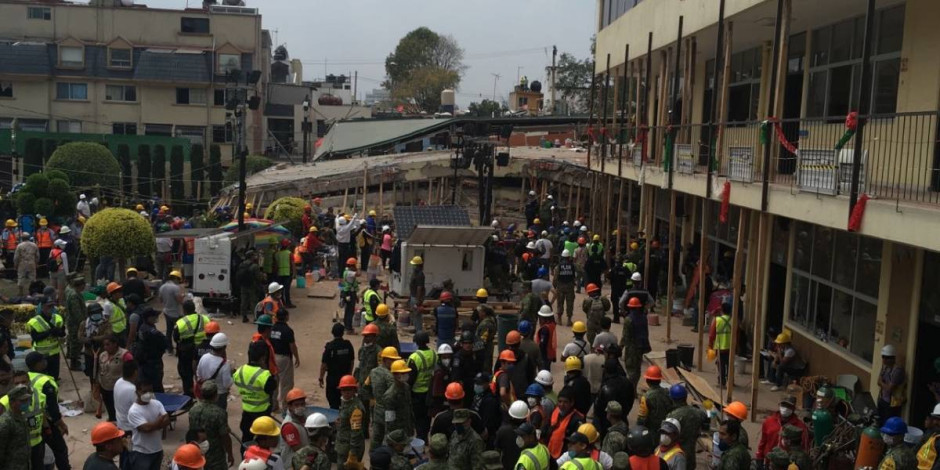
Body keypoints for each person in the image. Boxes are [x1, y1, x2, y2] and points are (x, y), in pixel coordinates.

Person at [234, 345, 278, 444]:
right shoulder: (263, 375)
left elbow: (236, 380)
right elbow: (272, 387)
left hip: (246, 413)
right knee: (264, 441)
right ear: (263, 358)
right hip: (262, 413)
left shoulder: (240, 371)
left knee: (246, 440)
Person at [188, 380, 235, 470]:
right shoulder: (219, 413)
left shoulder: (193, 410)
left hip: (197, 451)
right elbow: (225, 436)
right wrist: (230, 454)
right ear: (216, 395)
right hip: (215, 456)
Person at [127, 380, 171, 470]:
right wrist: (159, 421)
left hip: (157, 450)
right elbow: (146, 428)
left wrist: (153, 426)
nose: (148, 394)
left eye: (150, 391)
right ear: (137, 392)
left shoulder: (156, 403)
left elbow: (167, 420)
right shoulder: (134, 411)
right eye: (144, 391)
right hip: (141, 453)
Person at [756, 396, 808, 463]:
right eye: (783, 405)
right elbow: (763, 441)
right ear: (779, 406)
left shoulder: (801, 427)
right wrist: (759, 457)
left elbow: (804, 449)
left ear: (793, 408)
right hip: (769, 462)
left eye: (788, 406)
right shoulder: (769, 422)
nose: (785, 408)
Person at [173, 299, 210, 397]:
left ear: (184, 310)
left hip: (186, 352)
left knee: (186, 373)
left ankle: (189, 395)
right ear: (194, 308)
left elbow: (176, 338)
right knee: (202, 373)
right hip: (203, 350)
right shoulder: (205, 319)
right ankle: (205, 393)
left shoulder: (181, 322)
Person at [665, 384, 705, 470]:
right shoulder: (698, 413)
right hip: (691, 453)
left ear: (672, 398)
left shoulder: (672, 416)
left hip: (677, 453)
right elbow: (706, 422)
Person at [27, 295, 66, 381]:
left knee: (54, 377)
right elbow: (36, 338)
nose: (51, 308)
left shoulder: (57, 318)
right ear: (43, 306)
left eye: (52, 306)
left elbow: (63, 334)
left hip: (55, 353)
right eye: (49, 306)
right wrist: (50, 332)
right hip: (41, 355)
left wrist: (59, 332)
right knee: (43, 378)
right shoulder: (35, 321)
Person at [593, 356, 634, 436]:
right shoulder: (627, 382)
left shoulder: (606, 386)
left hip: (607, 422)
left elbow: (598, 408)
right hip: (623, 417)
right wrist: (625, 412)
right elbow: (631, 399)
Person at [408, 331, 437, 440]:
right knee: (427, 416)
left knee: (418, 418)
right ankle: (425, 437)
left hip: (417, 393)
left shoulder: (414, 357)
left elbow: (411, 378)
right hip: (430, 391)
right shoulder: (434, 353)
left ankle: (421, 438)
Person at [370, 346, 400, 447]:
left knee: (376, 436)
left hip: (377, 408)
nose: (395, 363)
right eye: (393, 360)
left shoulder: (373, 372)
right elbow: (395, 394)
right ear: (386, 359)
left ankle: (374, 457)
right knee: (390, 436)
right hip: (389, 410)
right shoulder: (390, 376)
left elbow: (366, 387)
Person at [320, 322, 354, 410]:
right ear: (343, 333)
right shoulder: (348, 344)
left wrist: (321, 378)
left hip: (332, 379)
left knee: (333, 404)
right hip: (345, 380)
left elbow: (324, 364)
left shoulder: (329, 347)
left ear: (332, 333)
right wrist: (349, 374)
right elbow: (352, 361)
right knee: (346, 403)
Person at [97, 335, 130, 422]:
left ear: (115, 344)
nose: (106, 347)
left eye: (108, 345)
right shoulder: (102, 355)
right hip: (105, 387)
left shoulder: (125, 355)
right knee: (110, 408)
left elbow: (132, 370)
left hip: (119, 389)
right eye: (104, 345)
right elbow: (100, 371)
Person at [271, 310, 300, 409]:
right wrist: (297, 357)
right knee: (286, 384)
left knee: (274, 382)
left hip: (272, 357)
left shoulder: (272, 328)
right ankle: (285, 407)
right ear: (286, 317)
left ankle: (274, 405)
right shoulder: (287, 330)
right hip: (284, 358)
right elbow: (292, 346)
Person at [0, 385, 33, 470]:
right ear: (12, 402)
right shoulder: (5, 423)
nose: (27, 403)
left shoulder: (21, 417)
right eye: (23, 401)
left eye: (27, 400)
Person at [335, 375, 366, 463]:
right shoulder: (345, 402)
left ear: (354, 390)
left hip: (349, 448)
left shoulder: (356, 408)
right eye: (344, 390)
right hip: (342, 444)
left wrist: (352, 453)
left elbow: (356, 432)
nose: (346, 392)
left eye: (349, 389)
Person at [197, 333, 232, 409]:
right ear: (224, 347)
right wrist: (232, 374)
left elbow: (198, 374)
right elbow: (227, 384)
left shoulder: (204, 357)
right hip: (219, 395)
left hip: (205, 392)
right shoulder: (224, 364)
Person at [548, 387, 585, 459]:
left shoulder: (577, 419)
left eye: (565, 402)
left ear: (572, 403)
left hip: (565, 456)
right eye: (560, 401)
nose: (562, 404)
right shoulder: (555, 411)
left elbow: (577, 442)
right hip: (550, 453)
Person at [136, 307, 167, 392]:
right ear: (148, 318)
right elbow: (164, 341)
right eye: (154, 316)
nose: (156, 318)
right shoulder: (151, 331)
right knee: (157, 386)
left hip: (146, 361)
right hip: (153, 362)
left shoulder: (143, 327)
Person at [878, 344, 907, 425]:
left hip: (892, 404)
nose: (883, 359)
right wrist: (883, 384)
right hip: (882, 400)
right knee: (880, 423)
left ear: (892, 358)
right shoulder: (885, 367)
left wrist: (882, 383)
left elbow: (890, 388)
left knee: (888, 425)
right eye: (883, 357)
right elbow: (878, 381)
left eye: (885, 357)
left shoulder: (898, 370)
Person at [386, 359, 415, 437]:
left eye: (406, 372)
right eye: (402, 373)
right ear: (395, 375)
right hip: (397, 432)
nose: (405, 375)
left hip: (408, 429)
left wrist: (412, 426)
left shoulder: (406, 387)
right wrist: (393, 437)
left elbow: (409, 407)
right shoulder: (390, 395)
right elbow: (389, 419)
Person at [472, 372, 502, 445]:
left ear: (487, 384)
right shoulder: (478, 396)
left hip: (485, 437)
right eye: (476, 382)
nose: (476, 385)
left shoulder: (490, 400)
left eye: (479, 383)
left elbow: (489, 423)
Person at [158, 271, 185, 351]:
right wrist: (183, 297)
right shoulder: (175, 287)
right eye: (178, 279)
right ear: (176, 278)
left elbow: (160, 300)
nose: (179, 281)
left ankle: (169, 348)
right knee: (179, 332)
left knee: (169, 331)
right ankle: (179, 349)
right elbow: (179, 301)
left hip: (166, 312)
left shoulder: (162, 287)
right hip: (176, 313)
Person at [708, 302, 734, 388]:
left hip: (720, 347)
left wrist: (710, 345)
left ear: (721, 310)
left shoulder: (717, 320)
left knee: (721, 365)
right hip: (731, 347)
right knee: (730, 365)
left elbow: (712, 335)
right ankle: (731, 381)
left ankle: (722, 383)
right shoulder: (733, 320)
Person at [64, 275, 87, 370]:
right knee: (75, 342)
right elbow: (76, 312)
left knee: (75, 341)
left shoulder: (77, 293)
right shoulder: (74, 296)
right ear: (80, 285)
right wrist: (83, 323)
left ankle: (75, 360)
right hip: (75, 324)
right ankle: (73, 364)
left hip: (76, 323)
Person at [237, 250, 265, 322]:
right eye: (254, 255)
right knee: (253, 302)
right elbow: (258, 277)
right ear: (251, 256)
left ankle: (244, 317)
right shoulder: (255, 266)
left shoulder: (241, 264)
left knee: (244, 301)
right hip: (252, 286)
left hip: (243, 285)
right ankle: (255, 317)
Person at [114, 359, 138, 437]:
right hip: (130, 428)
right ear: (135, 372)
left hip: (121, 423)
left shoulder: (119, 382)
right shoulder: (132, 389)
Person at [475, 291, 497, 373]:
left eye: (479, 312)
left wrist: (474, 349)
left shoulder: (485, 324)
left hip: (484, 351)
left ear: (484, 313)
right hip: (488, 347)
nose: (478, 314)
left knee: (485, 368)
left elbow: (482, 340)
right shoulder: (491, 320)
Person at [554, 249, 577, 324]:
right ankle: (569, 320)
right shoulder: (572, 266)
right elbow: (574, 276)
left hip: (560, 286)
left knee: (560, 302)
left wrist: (554, 285)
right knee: (570, 303)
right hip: (570, 286)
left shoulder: (559, 266)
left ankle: (559, 319)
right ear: (569, 257)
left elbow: (556, 276)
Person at [13, 232, 39, 297]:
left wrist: (15, 265)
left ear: (22, 238)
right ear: (29, 238)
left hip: (22, 264)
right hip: (31, 263)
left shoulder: (19, 246)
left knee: (21, 277)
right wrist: (36, 263)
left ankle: (21, 293)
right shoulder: (34, 245)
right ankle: (33, 292)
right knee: (32, 278)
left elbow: (16, 257)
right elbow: (37, 256)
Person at [274, 239, 296, 309]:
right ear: (287, 246)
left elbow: (276, 265)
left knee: (281, 290)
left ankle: (281, 303)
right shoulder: (289, 253)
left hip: (279, 274)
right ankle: (288, 303)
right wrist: (294, 273)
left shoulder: (277, 254)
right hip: (287, 273)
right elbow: (292, 264)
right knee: (287, 290)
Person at [340, 257, 359, 333]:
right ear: (352, 266)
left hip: (348, 292)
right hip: (349, 293)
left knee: (347, 310)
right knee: (350, 311)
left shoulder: (346, 271)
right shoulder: (350, 273)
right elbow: (358, 274)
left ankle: (346, 326)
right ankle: (349, 328)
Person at [537, 305, 557, 371]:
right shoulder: (552, 325)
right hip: (550, 354)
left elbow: (543, 344)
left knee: (544, 372)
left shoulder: (545, 329)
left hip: (545, 355)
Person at [409, 255, 426, 333]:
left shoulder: (420, 275)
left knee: (418, 315)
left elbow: (419, 288)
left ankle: (419, 331)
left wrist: (418, 300)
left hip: (416, 297)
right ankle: (416, 329)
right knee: (415, 314)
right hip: (413, 296)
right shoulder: (415, 273)